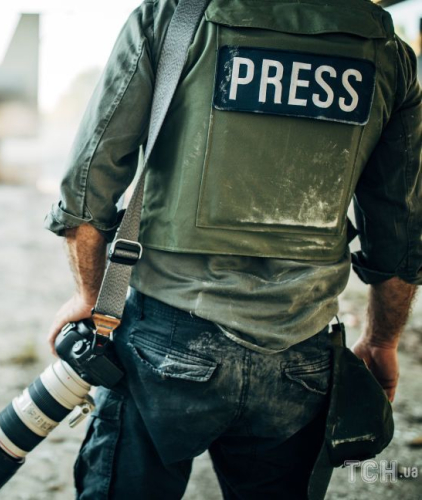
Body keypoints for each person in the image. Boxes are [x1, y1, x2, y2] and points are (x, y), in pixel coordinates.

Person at [44, 0, 422, 498]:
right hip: (302, 351)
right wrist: (381, 341)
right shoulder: (389, 54)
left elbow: (89, 180)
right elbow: (401, 230)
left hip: (164, 337)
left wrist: (90, 294)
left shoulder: (172, 19)